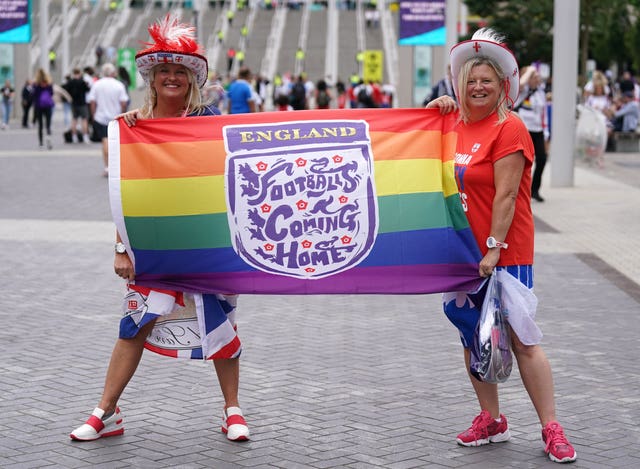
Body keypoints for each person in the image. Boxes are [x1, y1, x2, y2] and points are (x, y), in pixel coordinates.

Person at [70, 14, 250, 443]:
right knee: (135, 325)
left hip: (207, 243)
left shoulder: (210, 123)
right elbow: (127, 197)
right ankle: (105, 413)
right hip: (153, 246)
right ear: (152, 79)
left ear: (191, 79)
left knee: (219, 323)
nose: (171, 77)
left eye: (179, 71)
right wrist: (120, 247)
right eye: (163, 70)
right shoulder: (135, 128)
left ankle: (234, 411)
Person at [427, 28, 577, 464]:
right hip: (462, 253)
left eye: (486, 81)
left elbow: (507, 195)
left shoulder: (509, 128)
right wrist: (434, 113)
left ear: (503, 86)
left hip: (503, 253)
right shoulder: (451, 125)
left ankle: (552, 428)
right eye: (470, 80)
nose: (477, 87)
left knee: (522, 339)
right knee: (473, 335)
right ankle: (490, 418)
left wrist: (493, 248)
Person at [87, 62, 129, 176]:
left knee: (105, 141)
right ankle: (116, 166)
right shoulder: (119, 85)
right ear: (113, 72)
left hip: (100, 117)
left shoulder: (97, 84)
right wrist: (123, 113)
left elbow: (92, 101)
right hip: (115, 116)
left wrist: (93, 115)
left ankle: (107, 167)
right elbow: (124, 102)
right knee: (115, 142)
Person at [515, 66, 548, 202]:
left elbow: (543, 113)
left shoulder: (540, 92)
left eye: (537, 76)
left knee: (542, 159)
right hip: (524, 130)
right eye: (534, 76)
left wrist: (546, 131)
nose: (537, 79)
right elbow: (521, 83)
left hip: (538, 130)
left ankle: (534, 190)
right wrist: (529, 71)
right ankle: (518, 190)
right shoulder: (522, 91)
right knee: (522, 162)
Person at [63, 68, 91, 143]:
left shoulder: (70, 82)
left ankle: (74, 136)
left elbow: (65, 90)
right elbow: (88, 90)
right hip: (82, 103)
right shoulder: (82, 82)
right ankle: (85, 136)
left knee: (74, 120)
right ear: (80, 73)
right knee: (84, 120)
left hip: (73, 103)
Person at [32, 68, 56, 150]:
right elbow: (52, 93)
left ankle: (41, 143)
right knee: (48, 124)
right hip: (48, 106)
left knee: (40, 125)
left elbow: (34, 95)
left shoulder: (36, 84)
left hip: (39, 106)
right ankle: (48, 138)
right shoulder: (49, 84)